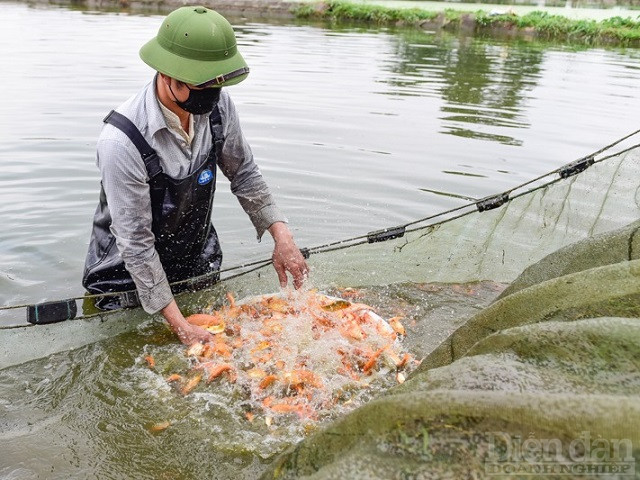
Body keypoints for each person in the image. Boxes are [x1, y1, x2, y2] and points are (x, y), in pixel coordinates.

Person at [82, 6, 309, 345]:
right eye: (203, 82)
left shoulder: (218, 106)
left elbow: (244, 173)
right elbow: (137, 245)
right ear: (167, 74)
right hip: (125, 279)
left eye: (219, 81)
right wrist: (181, 326)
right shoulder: (122, 142)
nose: (213, 92)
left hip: (195, 262)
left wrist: (282, 238)